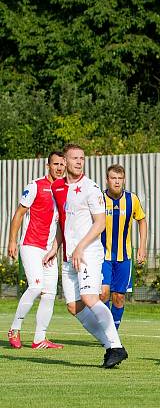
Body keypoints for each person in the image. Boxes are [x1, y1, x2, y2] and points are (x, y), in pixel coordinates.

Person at [46, 144, 128, 367]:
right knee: (74, 307)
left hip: (88, 253)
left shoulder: (91, 188)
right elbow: (63, 222)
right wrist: (55, 247)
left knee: (90, 298)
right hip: (69, 256)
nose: (79, 162)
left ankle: (115, 346)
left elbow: (100, 223)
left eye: (82, 158)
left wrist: (81, 247)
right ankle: (113, 347)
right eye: (74, 158)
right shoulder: (58, 188)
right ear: (64, 160)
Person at [7, 151, 66, 349]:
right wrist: (12, 241)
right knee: (36, 287)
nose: (59, 168)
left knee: (49, 293)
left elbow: (62, 225)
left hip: (49, 250)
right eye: (55, 164)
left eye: (62, 164)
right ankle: (14, 329)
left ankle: (39, 339)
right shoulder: (35, 186)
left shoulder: (65, 190)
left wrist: (55, 248)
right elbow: (19, 214)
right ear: (47, 166)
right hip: (31, 245)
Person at [100, 164, 148, 330]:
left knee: (119, 297)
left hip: (124, 257)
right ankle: (106, 330)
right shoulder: (99, 199)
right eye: (113, 178)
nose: (117, 182)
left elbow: (142, 221)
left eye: (120, 178)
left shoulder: (131, 199)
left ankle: (113, 331)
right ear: (107, 180)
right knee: (103, 293)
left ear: (124, 180)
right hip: (102, 257)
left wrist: (142, 247)